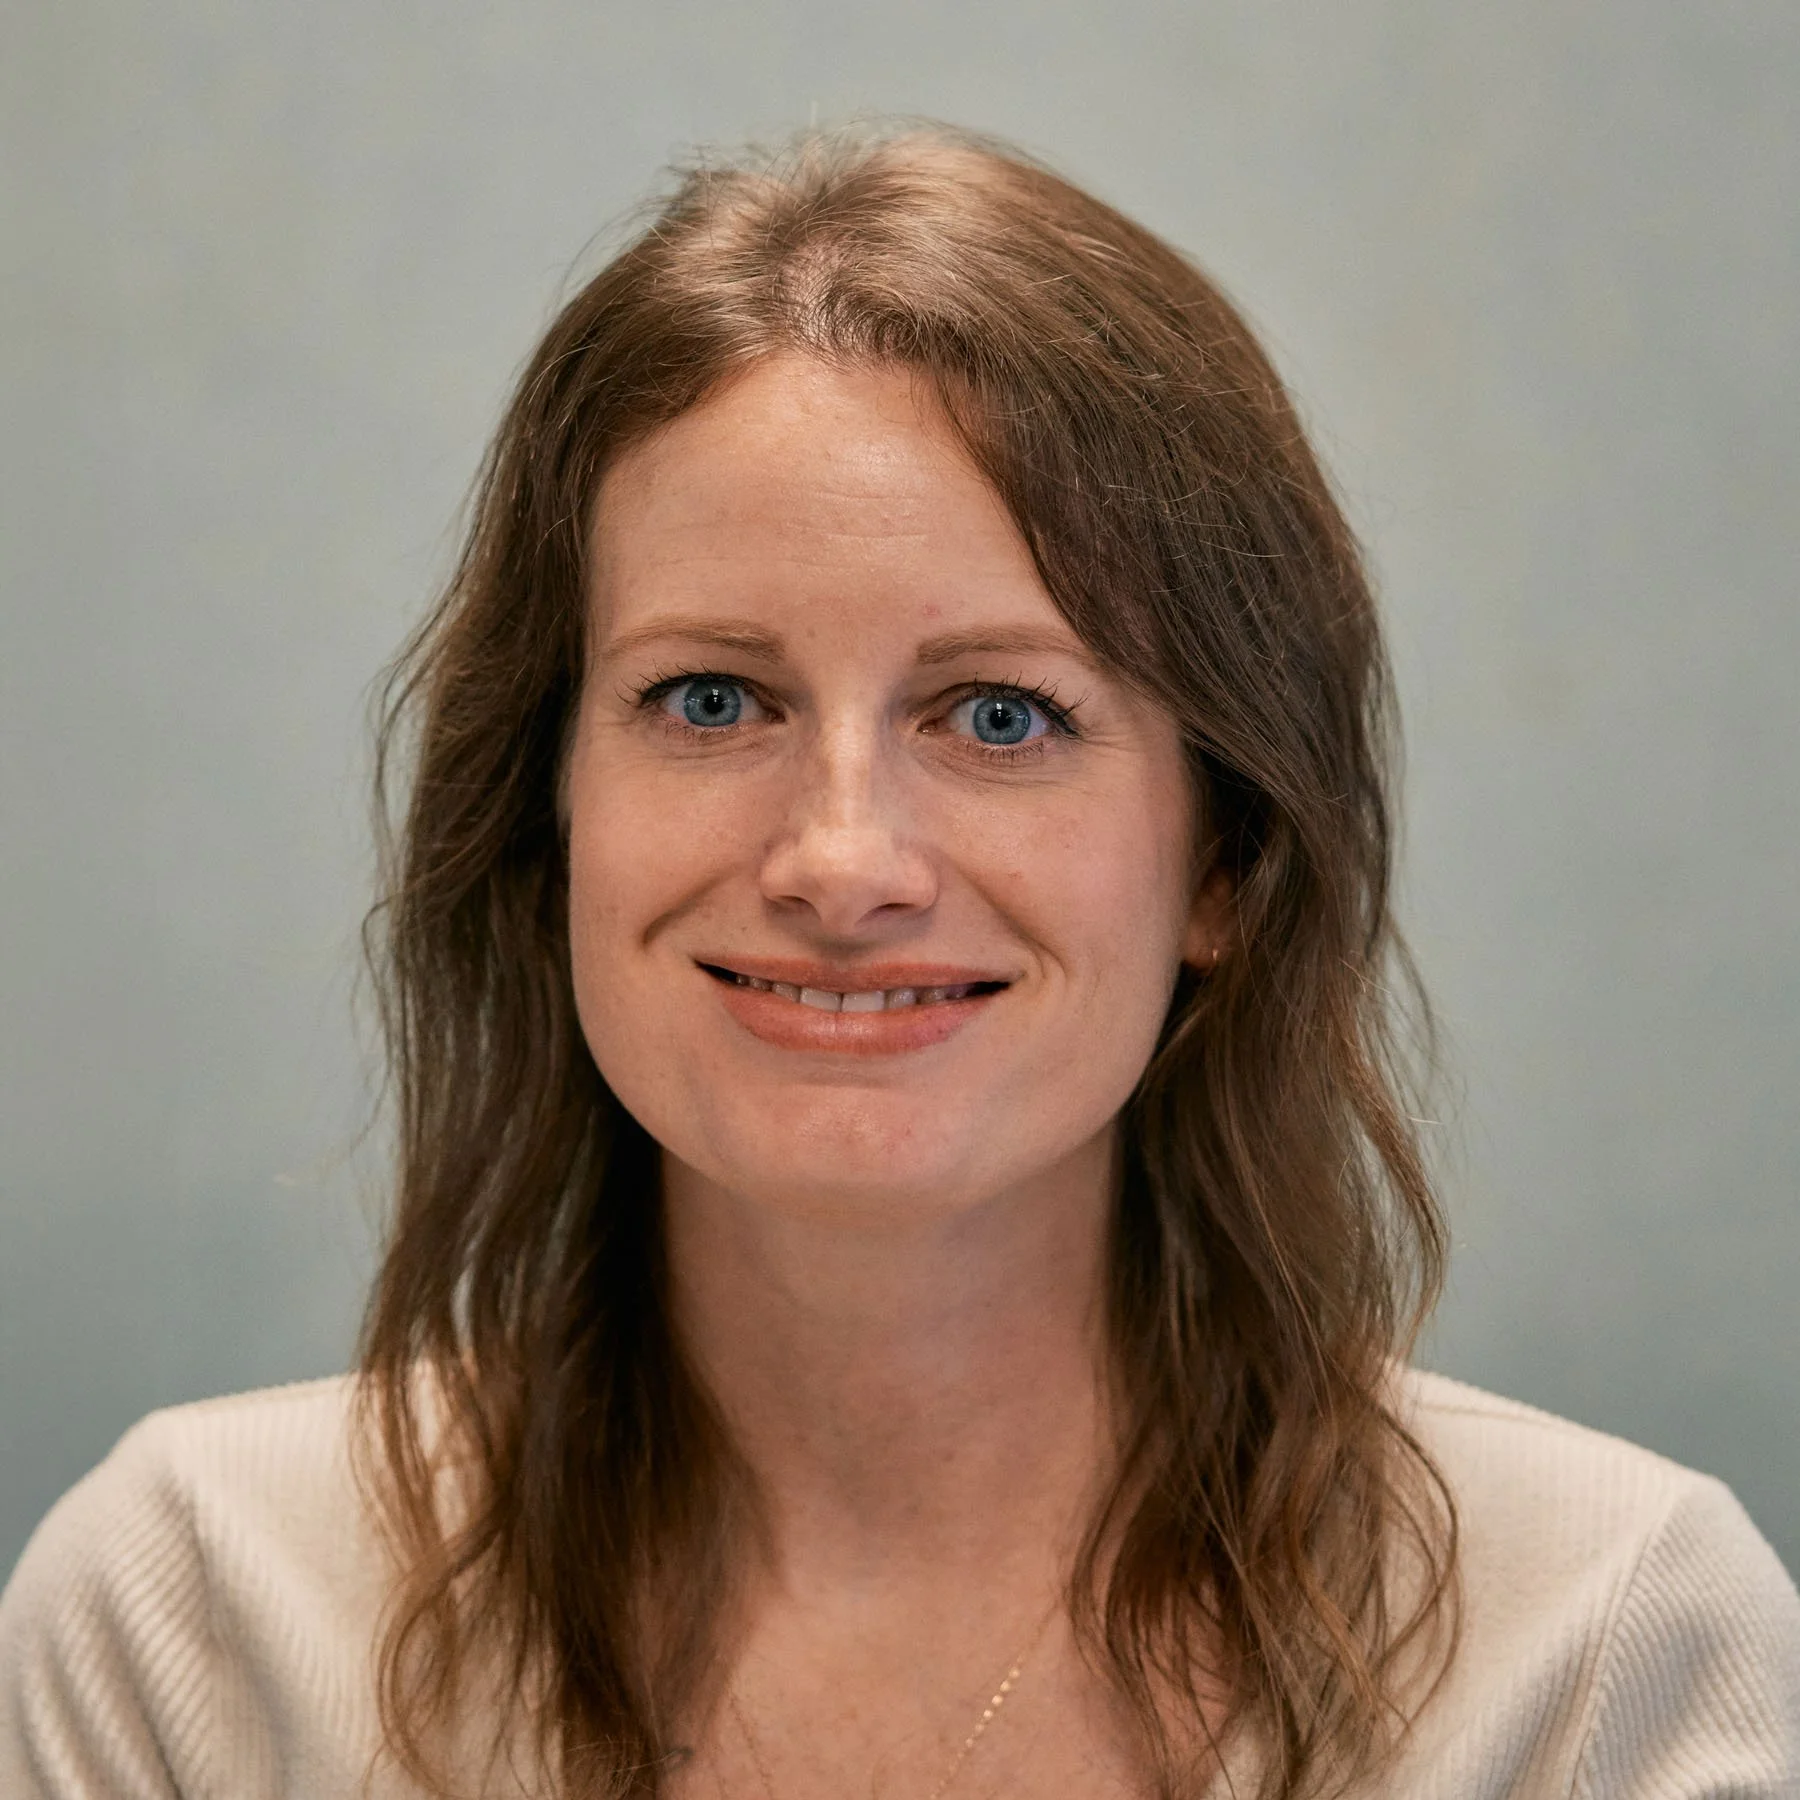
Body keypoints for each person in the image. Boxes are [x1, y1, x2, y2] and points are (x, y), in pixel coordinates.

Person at [3, 124, 1797, 1800]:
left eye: (1001, 713)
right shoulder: (194, 1627)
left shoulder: (1599, 1659)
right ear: (547, 817)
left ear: (1228, 859)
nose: (842, 862)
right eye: (713, 700)